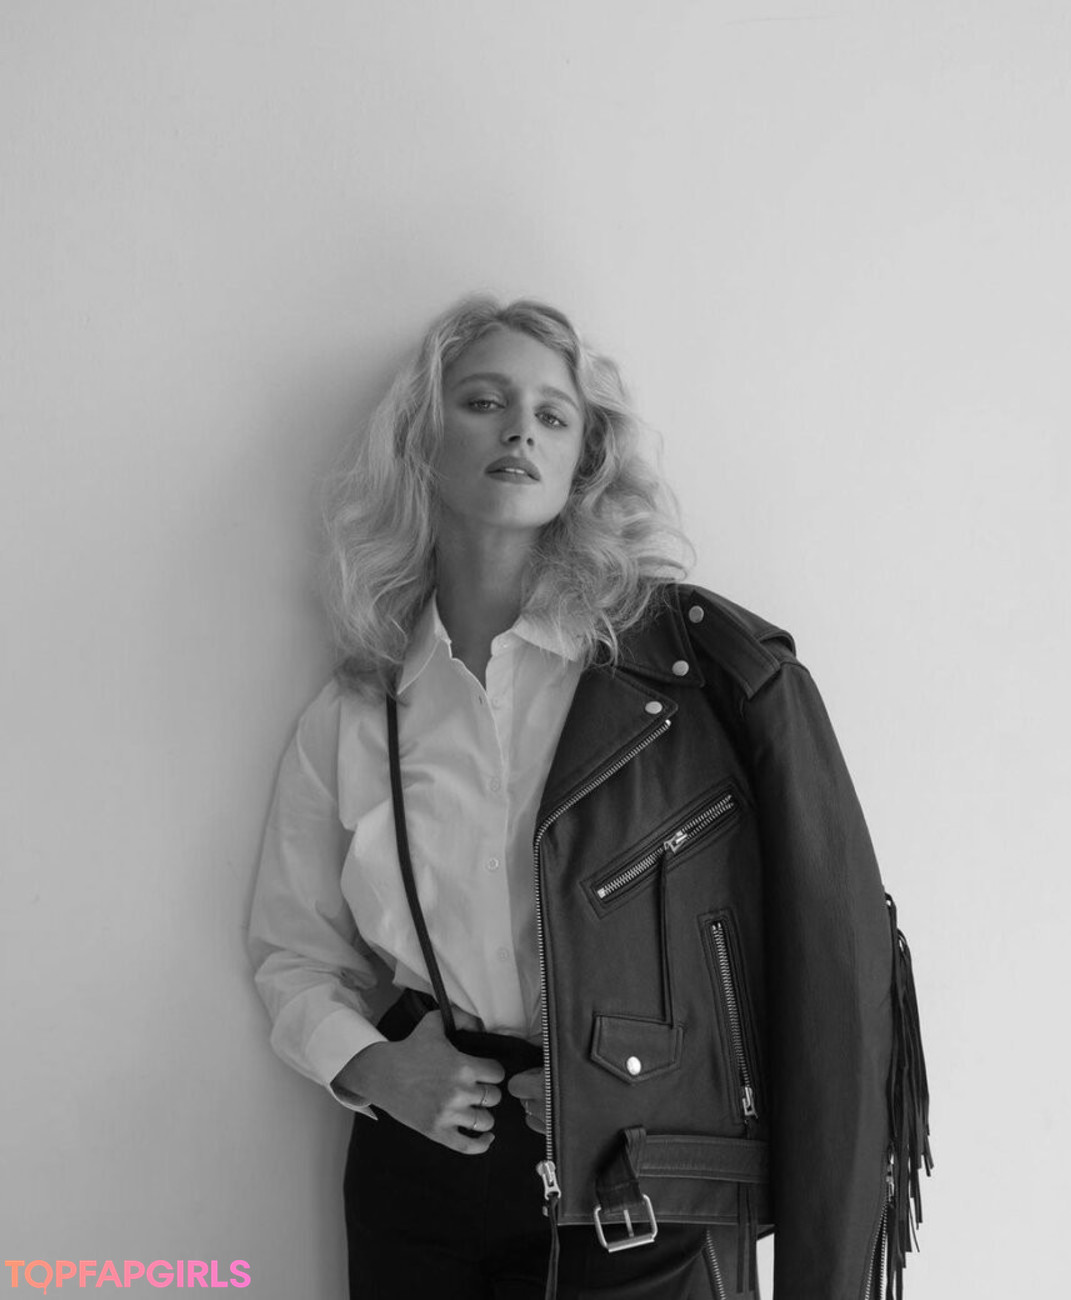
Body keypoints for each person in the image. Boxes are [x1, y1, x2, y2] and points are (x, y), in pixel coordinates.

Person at [247, 296, 930, 1299]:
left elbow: (829, 955)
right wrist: (373, 1067)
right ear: (422, 440)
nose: (519, 430)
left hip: (645, 1180)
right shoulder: (357, 711)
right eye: (483, 401)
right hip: (422, 1173)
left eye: (552, 414)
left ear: (585, 459)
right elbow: (295, 949)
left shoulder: (689, 678)